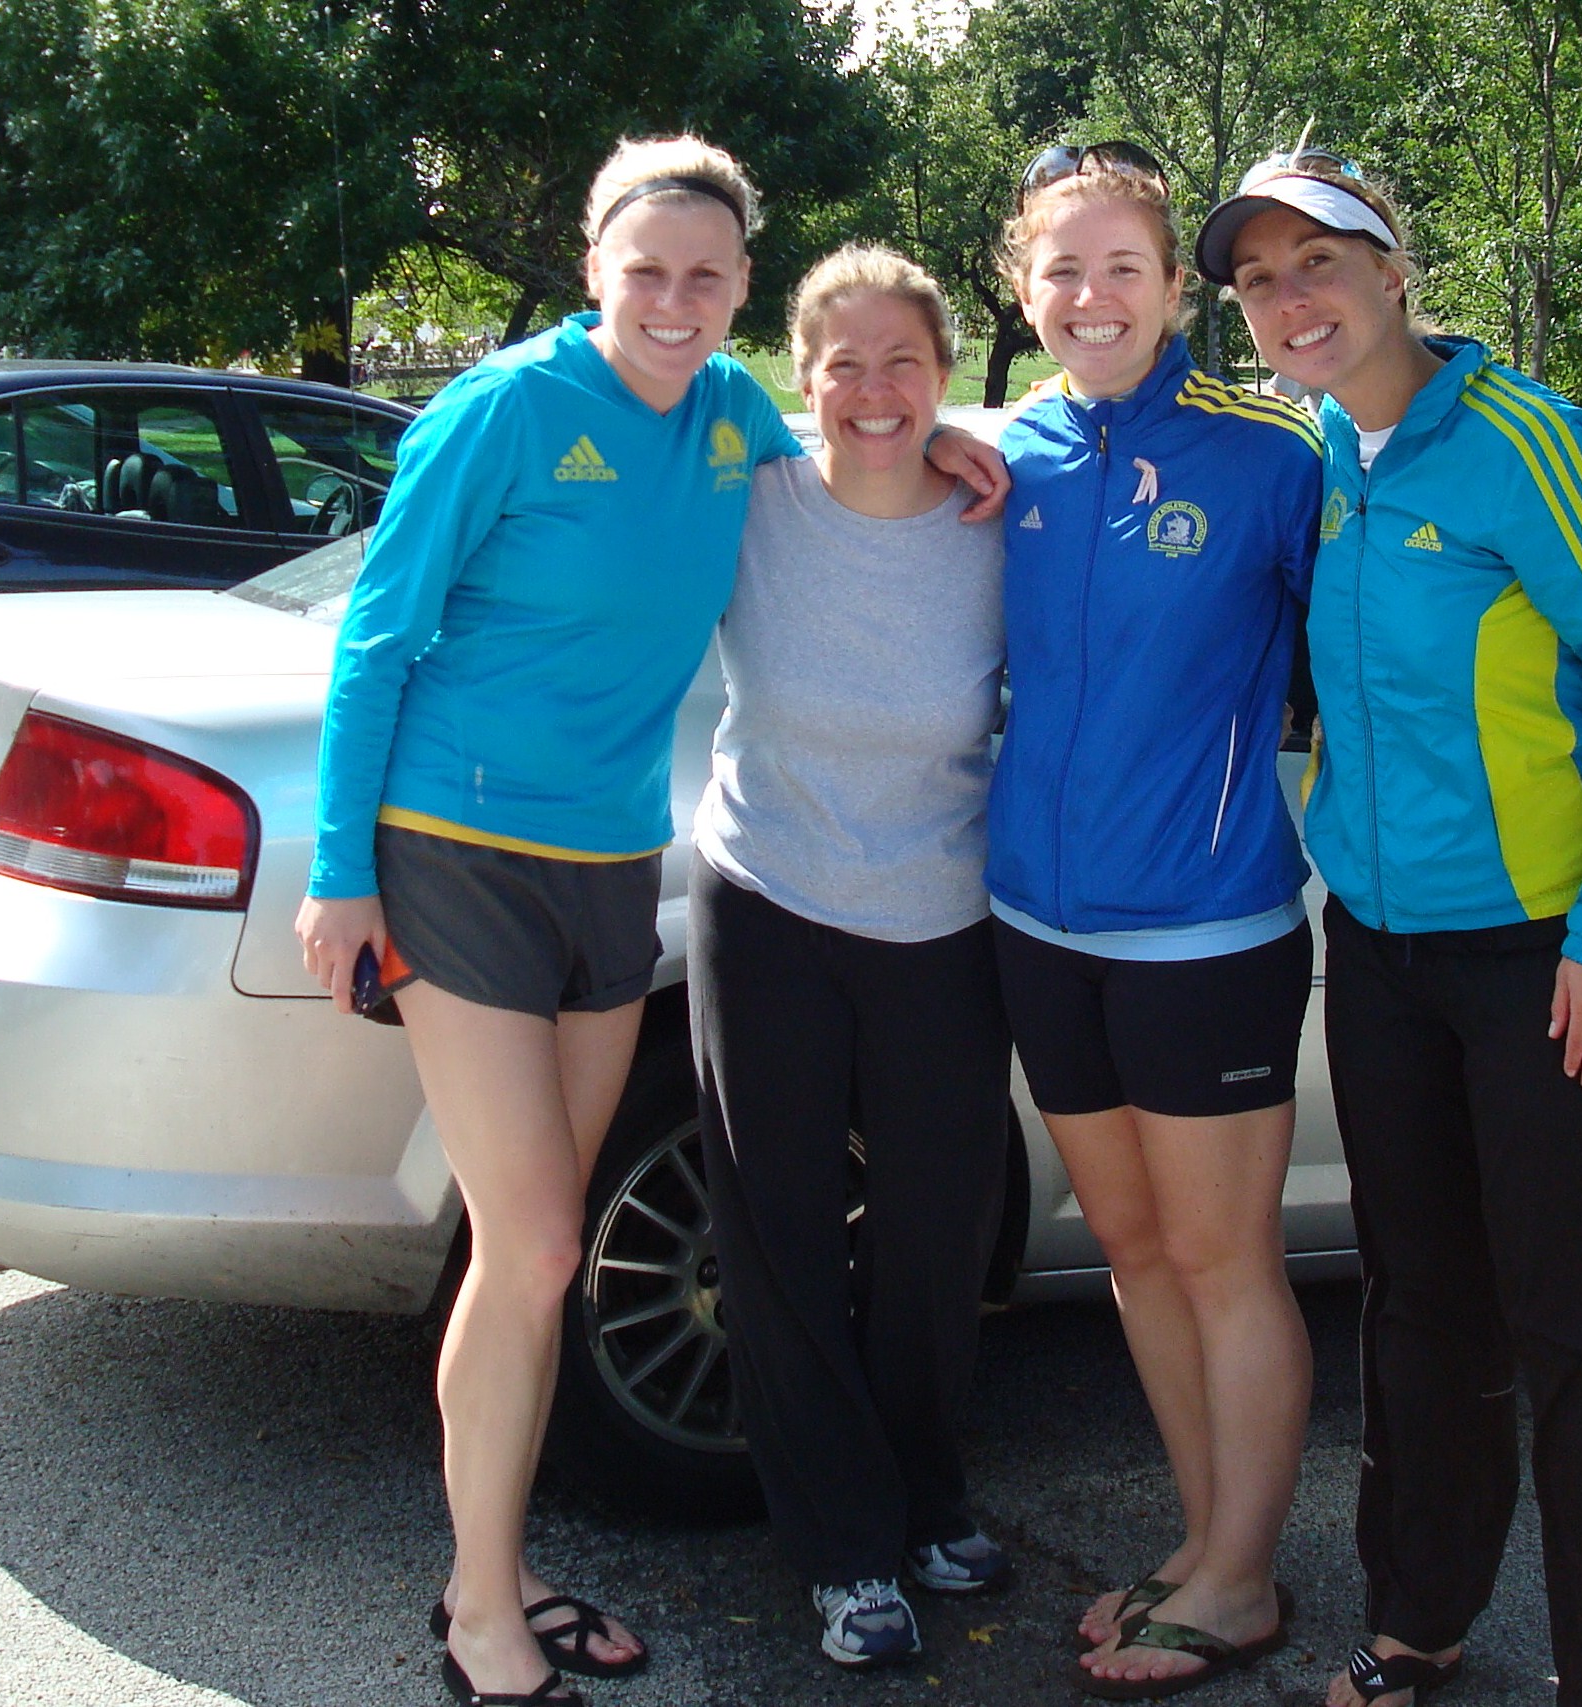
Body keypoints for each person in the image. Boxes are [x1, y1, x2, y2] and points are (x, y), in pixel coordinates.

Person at [294, 138, 1003, 1707]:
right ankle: (484, 1604)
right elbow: (375, 639)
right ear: (595, 267)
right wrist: (342, 873)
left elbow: (861, 419)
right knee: (543, 1235)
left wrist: (945, 437)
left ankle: (506, 1561)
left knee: (527, 1257)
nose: (672, 301)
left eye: (704, 276)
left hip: (616, 865)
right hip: (455, 850)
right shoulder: (505, 412)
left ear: (741, 286)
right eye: (645, 271)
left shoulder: (734, 416)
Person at [1196, 151, 1582, 1707]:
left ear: (1394, 268)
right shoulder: (1325, 458)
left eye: (1320, 262)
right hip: (1384, 950)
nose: (1293, 298)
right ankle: (1420, 1614)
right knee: (1421, 1308)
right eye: (1261, 278)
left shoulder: (1525, 443)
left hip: (1552, 957)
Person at [989, 141, 1324, 1701]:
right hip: (1038, 926)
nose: (1094, 295)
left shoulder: (1271, 462)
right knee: (1130, 1252)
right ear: (1025, 289)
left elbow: (1387, 646)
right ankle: (1202, 1545)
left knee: (1221, 1257)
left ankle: (1245, 1580)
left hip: (1206, 931)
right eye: (1065, 269)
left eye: (1127, 266)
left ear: (1179, 289)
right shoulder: (1000, 462)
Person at [687, 243, 1012, 1673]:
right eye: (843, 363)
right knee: (782, 1238)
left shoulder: (1007, 515)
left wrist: (961, 447)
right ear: (798, 377)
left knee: (941, 1236)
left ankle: (930, 1500)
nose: (874, 392)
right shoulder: (748, 502)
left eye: (904, 364)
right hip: (766, 900)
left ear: (946, 374)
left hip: (942, 916)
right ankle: (840, 1551)